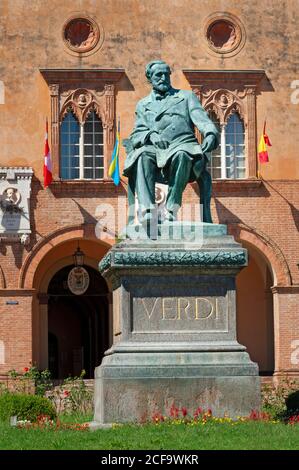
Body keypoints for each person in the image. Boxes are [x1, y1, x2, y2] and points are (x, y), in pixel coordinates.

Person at [123, 60, 219, 224]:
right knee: (142, 156)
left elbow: (202, 119)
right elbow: (137, 133)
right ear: (150, 78)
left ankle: (171, 208)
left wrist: (210, 133)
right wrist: (150, 135)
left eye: (166, 74)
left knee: (182, 154)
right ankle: (147, 211)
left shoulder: (185, 97)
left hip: (184, 144)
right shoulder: (143, 104)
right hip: (157, 149)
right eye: (158, 75)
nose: (163, 78)